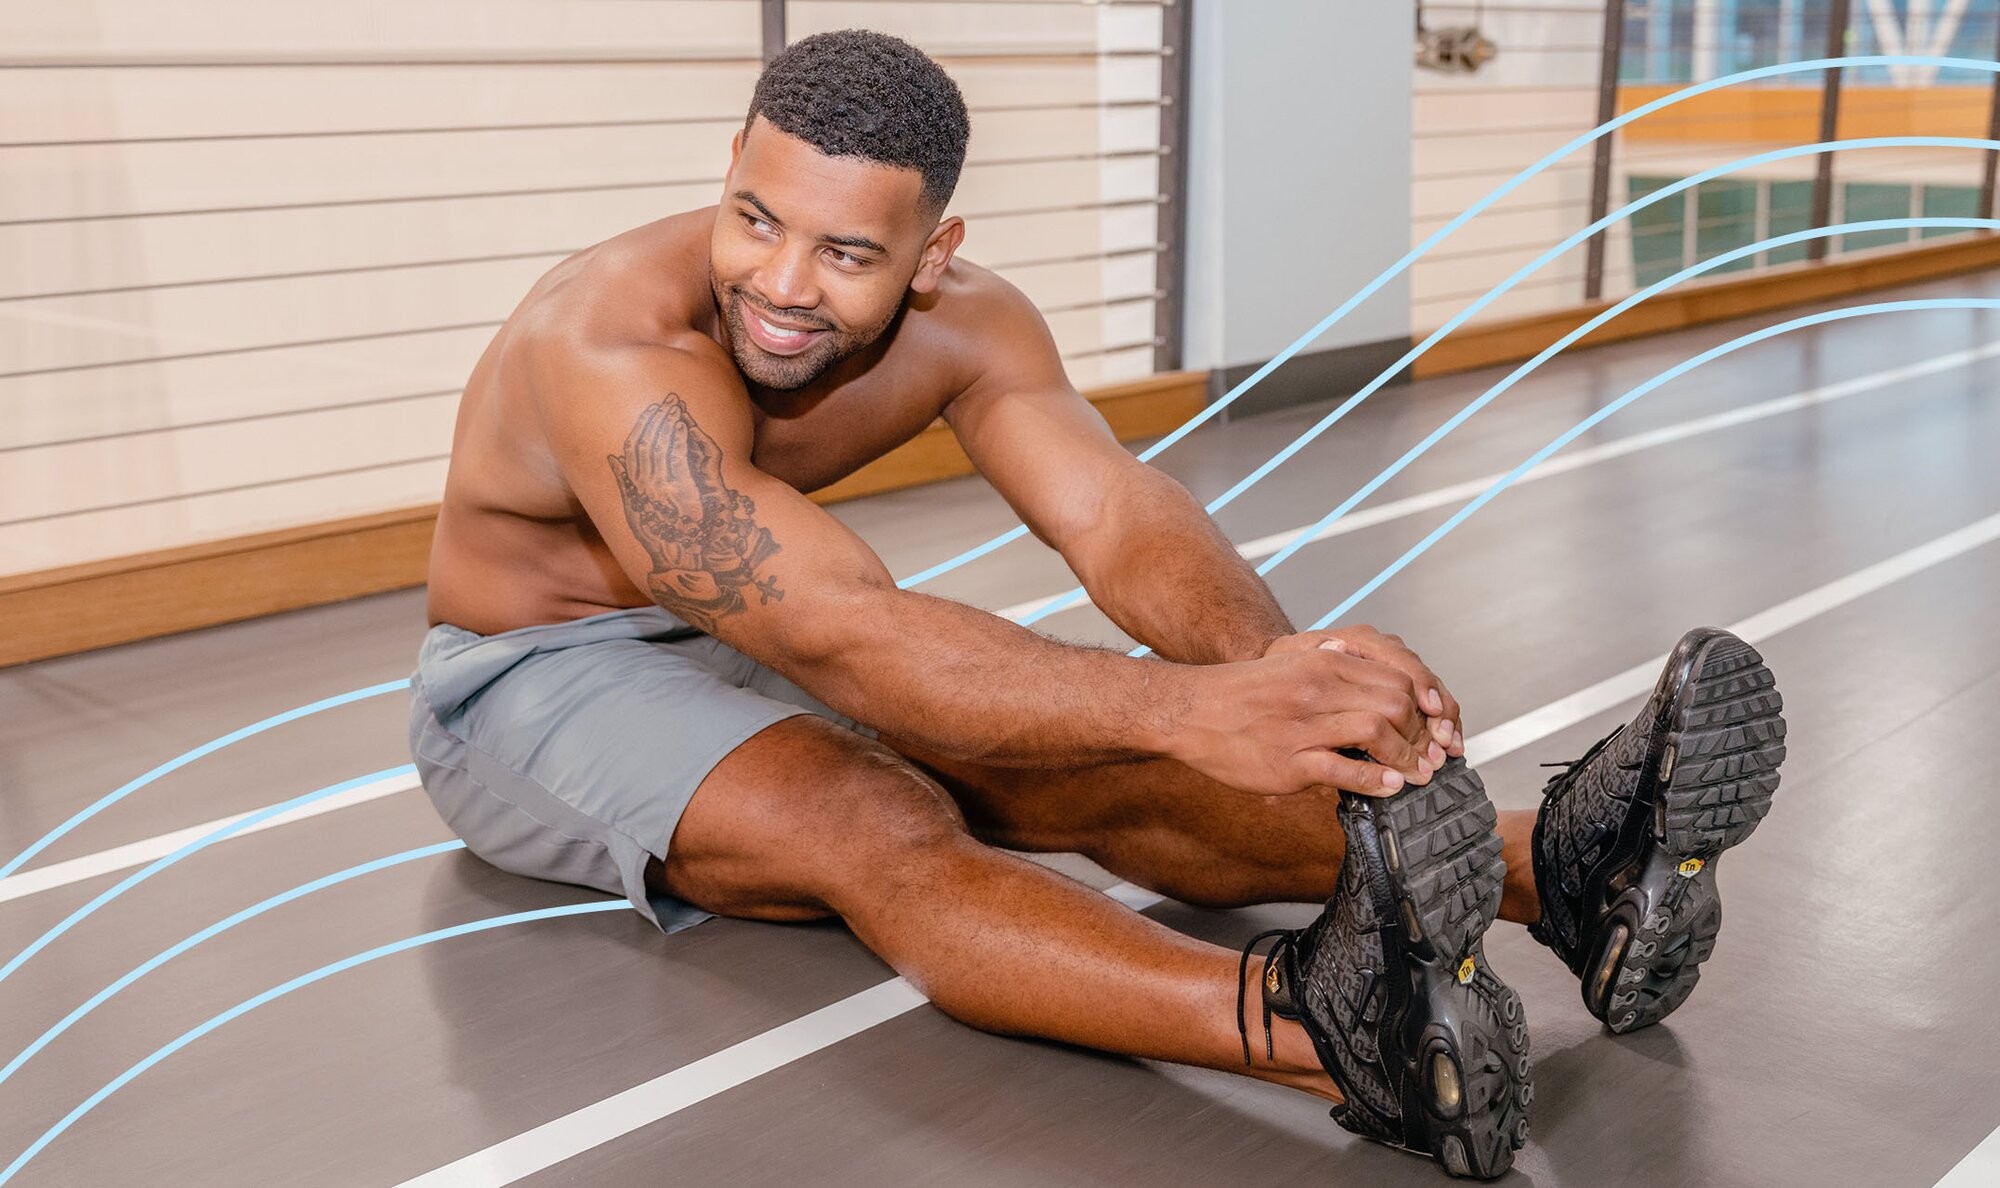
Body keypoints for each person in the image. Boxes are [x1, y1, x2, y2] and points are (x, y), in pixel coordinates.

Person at [405, 29, 1786, 1180]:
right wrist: (1192, 709)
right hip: (528, 680)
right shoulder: (612, 344)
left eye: (845, 254)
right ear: (727, 175)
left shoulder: (973, 323)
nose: (779, 284)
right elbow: (843, 631)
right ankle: (1332, 1036)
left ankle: (1572, 873)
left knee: (1085, 757)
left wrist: (1272, 673)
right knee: (874, 811)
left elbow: (1113, 515)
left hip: (749, 633)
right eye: (756, 219)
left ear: (932, 253)